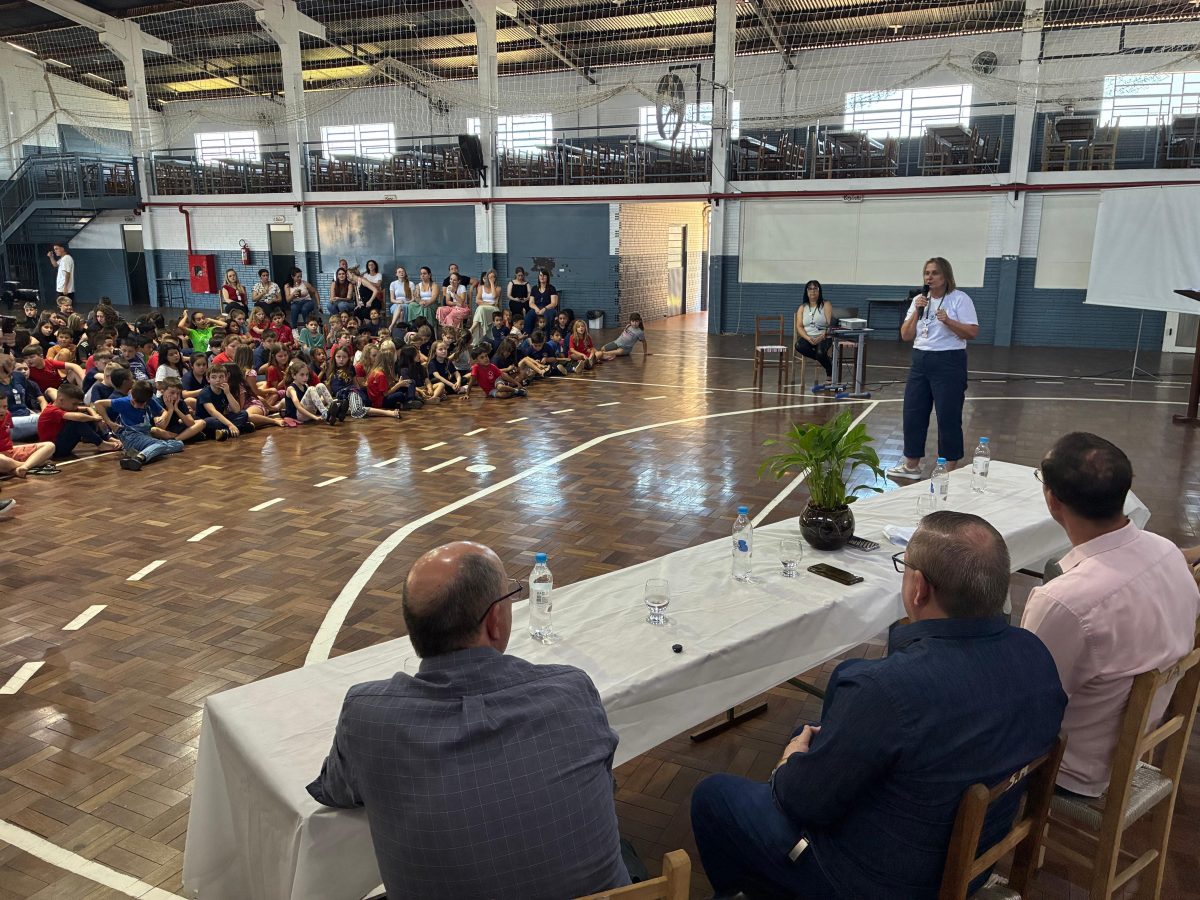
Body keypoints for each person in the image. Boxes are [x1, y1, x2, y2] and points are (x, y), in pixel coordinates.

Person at [690, 511, 1066, 900]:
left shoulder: (884, 689)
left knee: (714, 796)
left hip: (875, 880)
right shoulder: (1036, 655)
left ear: (918, 588)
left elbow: (803, 804)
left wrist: (788, 766)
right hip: (972, 861)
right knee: (809, 739)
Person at [308, 540, 629, 900]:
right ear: (494, 622)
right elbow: (601, 785)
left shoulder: (367, 714)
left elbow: (336, 790)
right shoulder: (572, 691)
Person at [1021, 433, 1200, 797]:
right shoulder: (1167, 552)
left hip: (1069, 769)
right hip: (1131, 740)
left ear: (1052, 501)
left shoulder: (1064, 602)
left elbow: (1023, 705)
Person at [889, 257, 978, 479]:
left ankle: (948, 470)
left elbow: (972, 332)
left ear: (946, 276)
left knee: (948, 415)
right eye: (926, 273)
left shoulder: (960, 299)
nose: (929, 277)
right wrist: (917, 312)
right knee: (913, 412)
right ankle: (911, 465)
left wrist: (949, 321)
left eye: (935, 273)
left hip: (949, 361)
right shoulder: (919, 300)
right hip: (920, 360)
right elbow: (906, 335)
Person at [95, 379, 185, 472]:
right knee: (159, 444)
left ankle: (141, 453)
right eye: (135, 402)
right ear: (132, 394)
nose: (137, 406)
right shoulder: (123, 402)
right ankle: (139, 458)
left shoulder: (150, 400)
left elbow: (163, 411)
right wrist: (109, 422)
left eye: (142, 404)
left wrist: (162, 416)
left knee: (179, 444)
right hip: (130, 437)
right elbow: (98, 404)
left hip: (145, 435)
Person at [37, 383, 122, 458]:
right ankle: (101, 444)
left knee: (87, 416)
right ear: (61, 400)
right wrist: (95, 418)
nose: (76, 407)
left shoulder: (64, 407)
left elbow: (88, 408)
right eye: (74, 404)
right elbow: (79, 417)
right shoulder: (51, 411)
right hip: (54, 450)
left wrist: (95, 417)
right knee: (76, 421)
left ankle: (107, 438)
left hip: (61, 444)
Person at [0, 393, 59, 477]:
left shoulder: (8, 414)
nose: (2, 410)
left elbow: (8, 437)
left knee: (50, 445)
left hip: (10, 452)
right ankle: (31, 464)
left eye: (5, 406)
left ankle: (23, 467)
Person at [793, 280, 834, 379]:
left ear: (819, 291)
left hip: (824, 337)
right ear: (806, 292)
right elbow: (799, 326)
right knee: (799, 346)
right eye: (810, 289)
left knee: (820, 352)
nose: (813, 291)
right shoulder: (802, 308)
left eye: (815, 288)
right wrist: (807, 338)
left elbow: (830, 324)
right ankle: (826, 360)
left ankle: (830, 372)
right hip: (809, 337)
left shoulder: (826, 304)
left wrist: (822, 336)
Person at [524, 268, 558, 335]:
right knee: (528, 316)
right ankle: (528, 337)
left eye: (544, 276)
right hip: (537, 308)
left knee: (548, 315)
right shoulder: (534, 288)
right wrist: (536, 308)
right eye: (540, 275)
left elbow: (554, 303)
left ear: (547, 277)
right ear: (538, 277)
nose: (542, 277)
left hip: (548, 308)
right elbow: (531, 303)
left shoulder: (552, 288)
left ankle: (548, 337)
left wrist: (544, 309)